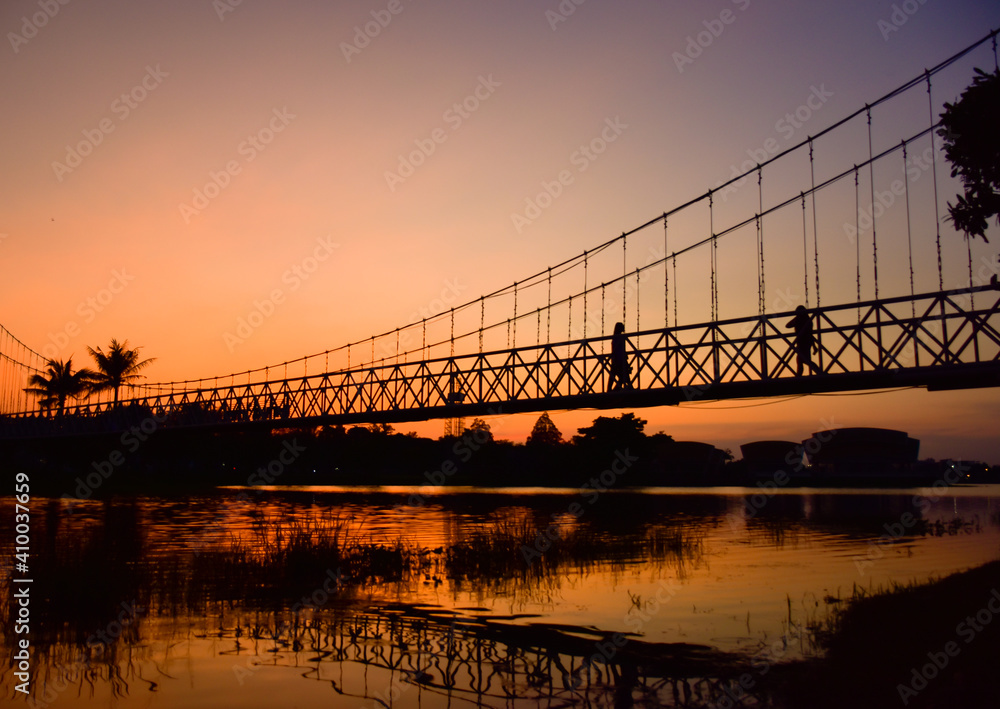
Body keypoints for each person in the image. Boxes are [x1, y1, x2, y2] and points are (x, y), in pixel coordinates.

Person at [786, 306, 820, 376]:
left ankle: (800, 375)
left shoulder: (800, 320)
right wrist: (814, 346)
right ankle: (817, 371)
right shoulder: (808, 320)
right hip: (806, 342)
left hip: (803, 342)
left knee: (802, 360)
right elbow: (810, 334)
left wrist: (796, 317)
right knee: (802, 360)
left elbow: (788, 325)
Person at [609, 322, 632, 390]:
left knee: (615, 376)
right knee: (623, 376)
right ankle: (614, 390)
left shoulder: (615, 338)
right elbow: (619, 349)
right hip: (619, 360)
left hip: (617, 359)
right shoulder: (618, 338)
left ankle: (612, 390)